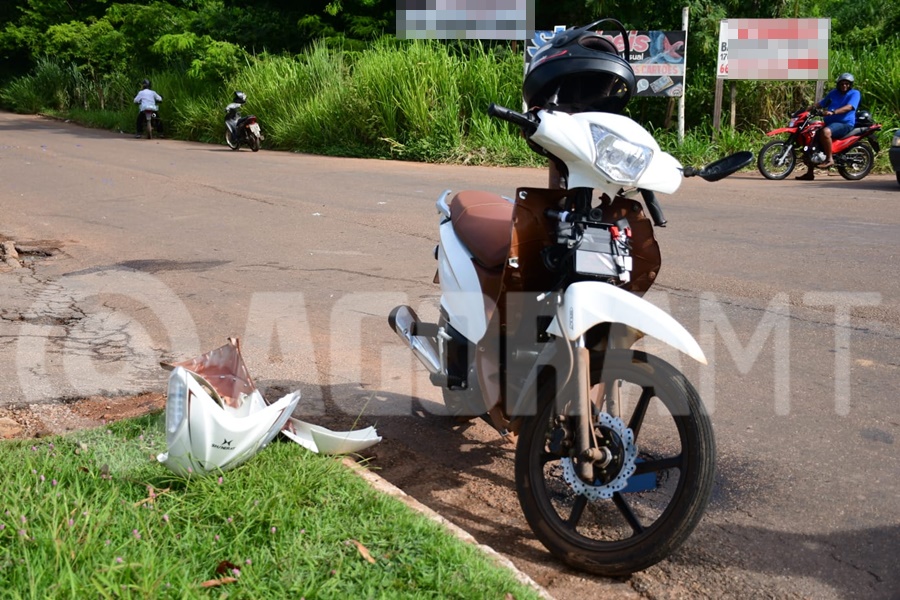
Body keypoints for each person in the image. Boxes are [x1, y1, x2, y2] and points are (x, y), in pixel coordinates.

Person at [795, 73, 860, 180]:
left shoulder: (854, 93)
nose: (844, 86)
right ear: (838, 84)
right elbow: (821, 104)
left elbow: (849, 107)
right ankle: (810, 173)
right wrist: (806, 110)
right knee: (811, 139)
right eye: (842, 83)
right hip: (830, 124)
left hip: (845, 124)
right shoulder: (833, 93)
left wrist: (833, 112)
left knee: (826, 132)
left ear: (850, 85)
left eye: (847, 84)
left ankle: (830, 159)